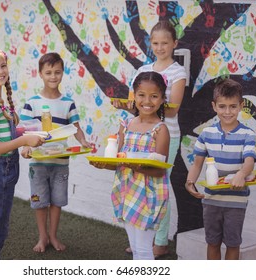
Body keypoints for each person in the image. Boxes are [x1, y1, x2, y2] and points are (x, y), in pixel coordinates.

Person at [113, 20, 186, 258]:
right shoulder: (142, 70)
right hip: (139, 134)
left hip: (166, 134)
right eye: (155, 42)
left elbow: (172, 110)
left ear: (174, 43)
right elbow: (135, 106)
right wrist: (124, 104)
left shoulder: (177, 72)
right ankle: (139, 237)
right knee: (135, 185)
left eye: (165, 42)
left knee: (157, 186)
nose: (160, 47)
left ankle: (160, 242)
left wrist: (145, 103)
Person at [0, 47, 45, 260]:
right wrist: (23, 140)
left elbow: (5, 135)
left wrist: (27, 135)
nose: (0, 71)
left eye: (2, 66)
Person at [91, 71, 170, 260]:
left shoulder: (161, 130)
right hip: (127, 191)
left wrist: (135, 167)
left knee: (143, 249)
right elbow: (119, 162)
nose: (147, 101)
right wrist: (103, 165)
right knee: (135, 248)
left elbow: (160, 171)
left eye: (154, 96)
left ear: (161, 99)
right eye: (142, 95)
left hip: (149, 194)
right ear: (134, 96)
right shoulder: (125, 125)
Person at [19, 52, 92, 253]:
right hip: (38, 162)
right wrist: (25, 147)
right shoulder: (32, 102)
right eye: (48, 72)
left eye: (57, 72)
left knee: (57, 201)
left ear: (62, 73)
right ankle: (42, 237)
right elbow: (23, 131)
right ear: (40, 74)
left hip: (61, 162)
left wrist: (84, 141)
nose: (53, 76)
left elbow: (76, 128)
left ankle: (53, 236)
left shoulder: (68, 102)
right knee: (40, 201)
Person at [185, 78, 256, 260]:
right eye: (222, 106)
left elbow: (249, 161)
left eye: (233, 106)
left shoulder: (247, 134)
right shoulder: (206, 134)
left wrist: (241, 174)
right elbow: (197, 164)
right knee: (212, 242)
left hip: (236, 200)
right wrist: (190, 182)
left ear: (241, 106)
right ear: (214, 106)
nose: (227, 111)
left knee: (233, 243)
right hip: (211, 199)